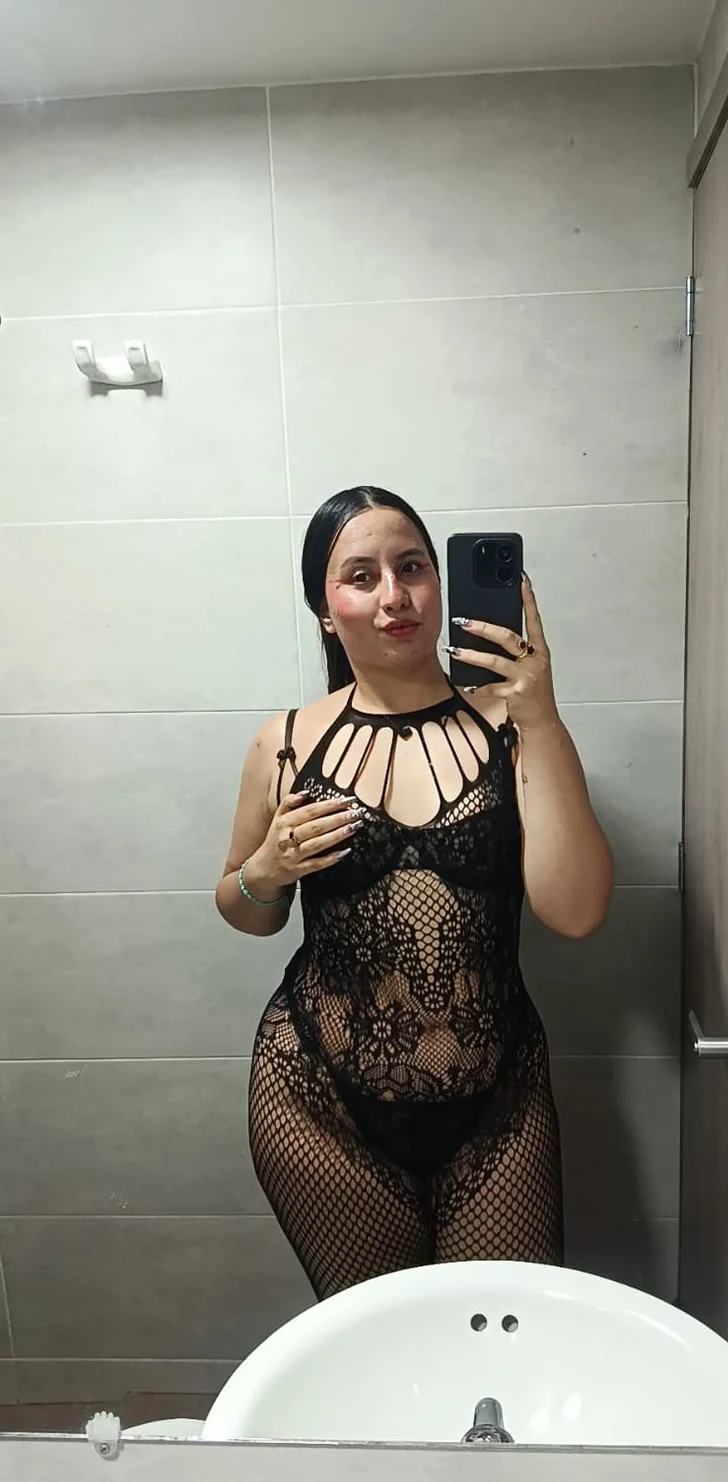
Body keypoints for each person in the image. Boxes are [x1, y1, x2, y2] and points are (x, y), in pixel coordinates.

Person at [216, 485, 613, 1299]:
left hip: (498, 1107)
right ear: (326, 611)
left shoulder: (516, 730)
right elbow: (244, 912)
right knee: (376, 1342)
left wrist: (542, 718)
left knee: (501, 1337)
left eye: (412, 568)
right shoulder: (284, 743)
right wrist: (267, 871)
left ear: (440, 582)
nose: (393, 596)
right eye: (361, 577)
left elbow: (576, 913)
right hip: (316, 1100)